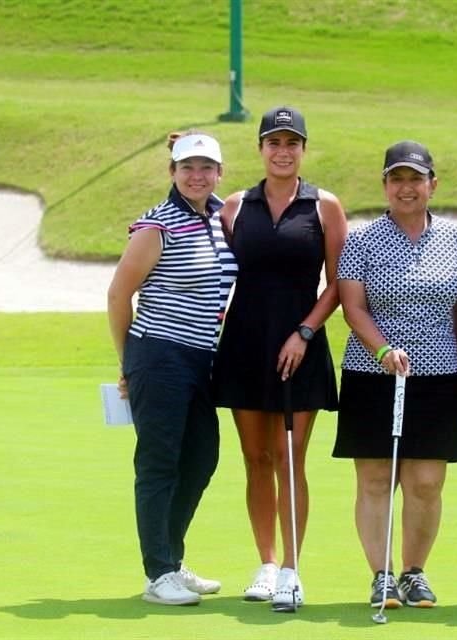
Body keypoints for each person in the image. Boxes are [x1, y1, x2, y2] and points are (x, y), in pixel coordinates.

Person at [211, 106, 348, 608]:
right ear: (261, 148)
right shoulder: (233, 207)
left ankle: (292, 569)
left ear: (303, 149)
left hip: (300, 344)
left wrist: (305, 332)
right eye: (274, 142)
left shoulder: (323, 207)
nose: (283, 151)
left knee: (290, 460)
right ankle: (266, 564)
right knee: (255, 458)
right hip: (245, 342)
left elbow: (338, 285)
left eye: (292, 143)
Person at [333, 141, 457, 609]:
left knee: (427, 482)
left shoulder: (456, 240)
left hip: (437, 378)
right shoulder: (363, 239)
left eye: (416, 179)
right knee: (375, 479)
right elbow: (353, 308)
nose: (406, 188)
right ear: (385, 185)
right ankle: (382, 575)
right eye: (397, 179)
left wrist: (447, 355)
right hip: (372, 375)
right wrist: (384, 350)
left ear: (433, 184)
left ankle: (414, 573)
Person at [107, 131, 238, 606]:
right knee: (160, 462)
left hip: (201, 357)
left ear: (219, 173)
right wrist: (129, 364)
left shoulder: (221, 217)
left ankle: (173, 558)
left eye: (206, 167)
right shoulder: (155, 227)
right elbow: (120, 295)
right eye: (187, 167)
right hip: (158, 354)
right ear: (172, 173)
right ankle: (158, 572)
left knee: (201, 458)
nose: (197, 175)